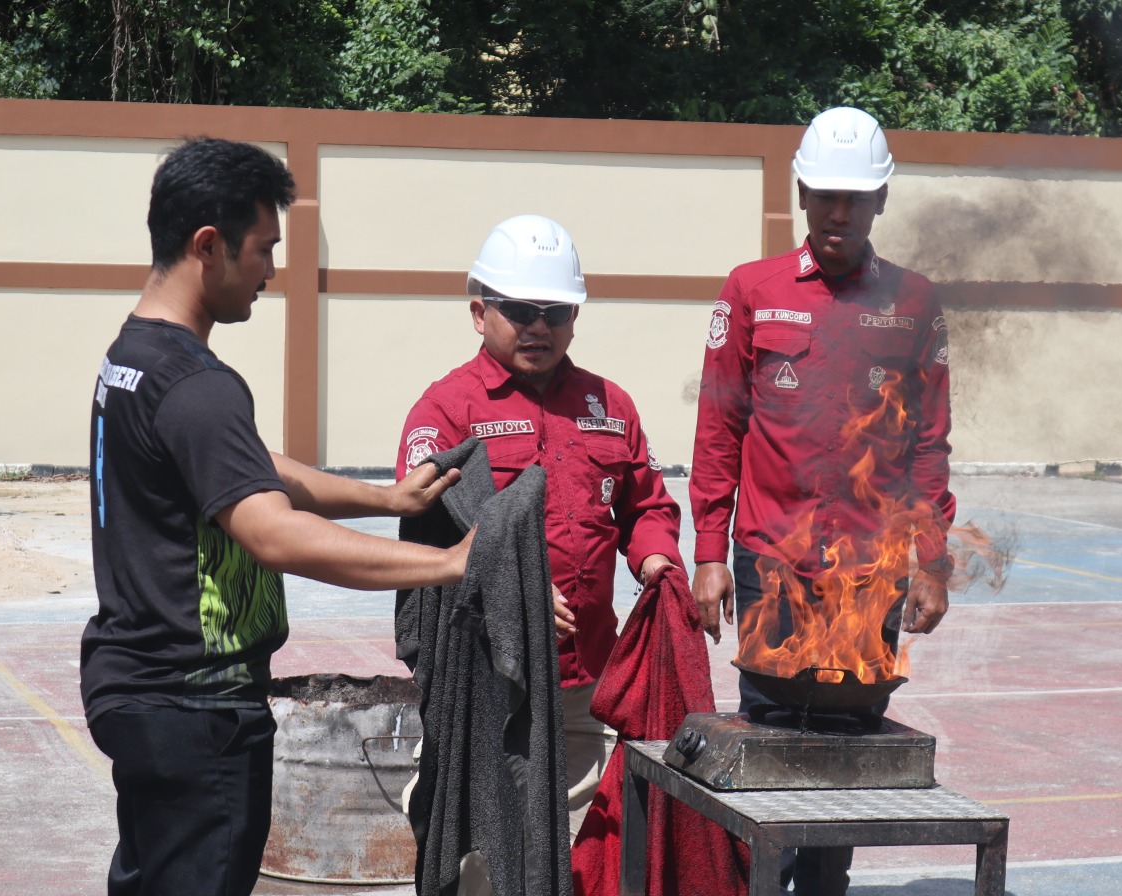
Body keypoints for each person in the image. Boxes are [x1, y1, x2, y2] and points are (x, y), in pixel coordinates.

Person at [81, 137, 473, 896]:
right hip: (197, 708)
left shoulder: (133, 359)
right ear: (208, 245)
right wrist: (452, 563)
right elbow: (271, 529)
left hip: (141, 689)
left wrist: (387, 499)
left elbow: (249, 467)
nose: (270, 270)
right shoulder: (197, 384)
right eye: (263, 249)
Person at [688, 107, 955, 894]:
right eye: (826, 195)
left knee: (848, 746)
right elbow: (718, 430)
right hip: (770, 555)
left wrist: (931, 565)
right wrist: (709, 552)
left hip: (873, 565)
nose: (839, 212)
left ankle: (824, 887)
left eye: (857, 197)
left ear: (881, 203)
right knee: (767, 735)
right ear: (802, 193)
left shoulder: (914, 302)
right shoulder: (751, 290)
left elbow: (930, 446)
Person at [395, 214, 682, 892]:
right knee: (476, 850)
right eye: (520, 309)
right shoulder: (445, 411)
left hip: (584, 686)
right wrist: (509, 593)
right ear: (478, 311)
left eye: (556, 310)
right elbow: (432, 534)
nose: (538, 326)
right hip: (485, 683)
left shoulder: (610, 405)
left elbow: (645, 505)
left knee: (580, 850)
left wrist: (656, 559)